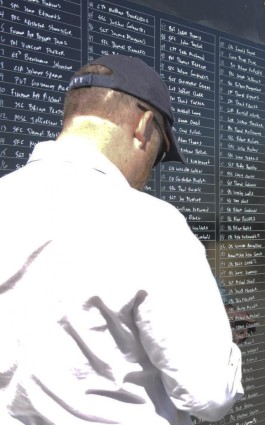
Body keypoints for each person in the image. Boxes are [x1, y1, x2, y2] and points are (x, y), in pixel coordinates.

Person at [0, 54, 243, 424]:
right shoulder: (153, 225)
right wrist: (224, 347)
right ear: (144, 125)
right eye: (159, 153)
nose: (149, 171)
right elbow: (207, 394)